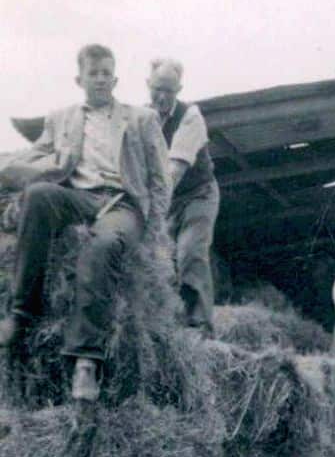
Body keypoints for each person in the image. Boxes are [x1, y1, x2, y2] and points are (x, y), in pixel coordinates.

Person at [0, 44, 169, 402]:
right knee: (38, 195)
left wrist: (154, 232)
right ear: (80, 79)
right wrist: (7, 171)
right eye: (94, 73)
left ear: (116, 79)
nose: (101, 79)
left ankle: (85, 360)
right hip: (79, 196)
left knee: (101, 245)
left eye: (107, 73)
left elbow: (160, 179)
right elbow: (34, 155)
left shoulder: (141, 119)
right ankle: (20, 314)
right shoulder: (61, 118)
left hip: (122, 202)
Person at [146, 58, 219, 336]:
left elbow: (174, 171)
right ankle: (170, 325)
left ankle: (200, 326)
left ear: (179, 90)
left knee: (190, 252)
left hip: (197, 194)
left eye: (169, 91)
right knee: (163, 262)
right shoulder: (141, 118)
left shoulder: (190, 117)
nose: (162, 97)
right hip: (167, 202)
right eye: (157, 89)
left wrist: (151, 212)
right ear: (148, 85)